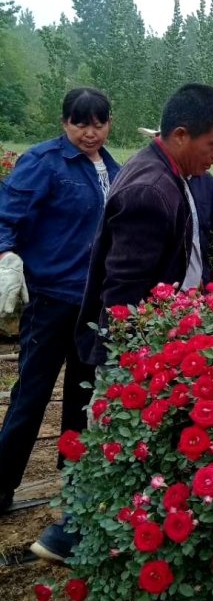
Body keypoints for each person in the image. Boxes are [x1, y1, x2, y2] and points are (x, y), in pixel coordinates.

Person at [31, 83, 213, 562]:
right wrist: (132, 362)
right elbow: (121, 294)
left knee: (141, 440)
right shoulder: (148, 190)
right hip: (138, 344)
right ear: (181, 135)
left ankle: (119, 525)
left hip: (173, 333)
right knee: (111, 433)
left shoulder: (190, 175)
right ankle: (70, 532)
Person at [0, 88, 120, 514]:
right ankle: (2, 486)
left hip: (93, 304)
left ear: (109, 122)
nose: (91, 133)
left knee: (81, 399)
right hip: (52, 299)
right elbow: (7, 214)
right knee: (30, 397)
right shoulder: (44, 162)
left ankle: (72, 488)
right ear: (64, 122)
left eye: (99, 123)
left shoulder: (111, 167)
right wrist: (6, 254)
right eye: (80, 123)